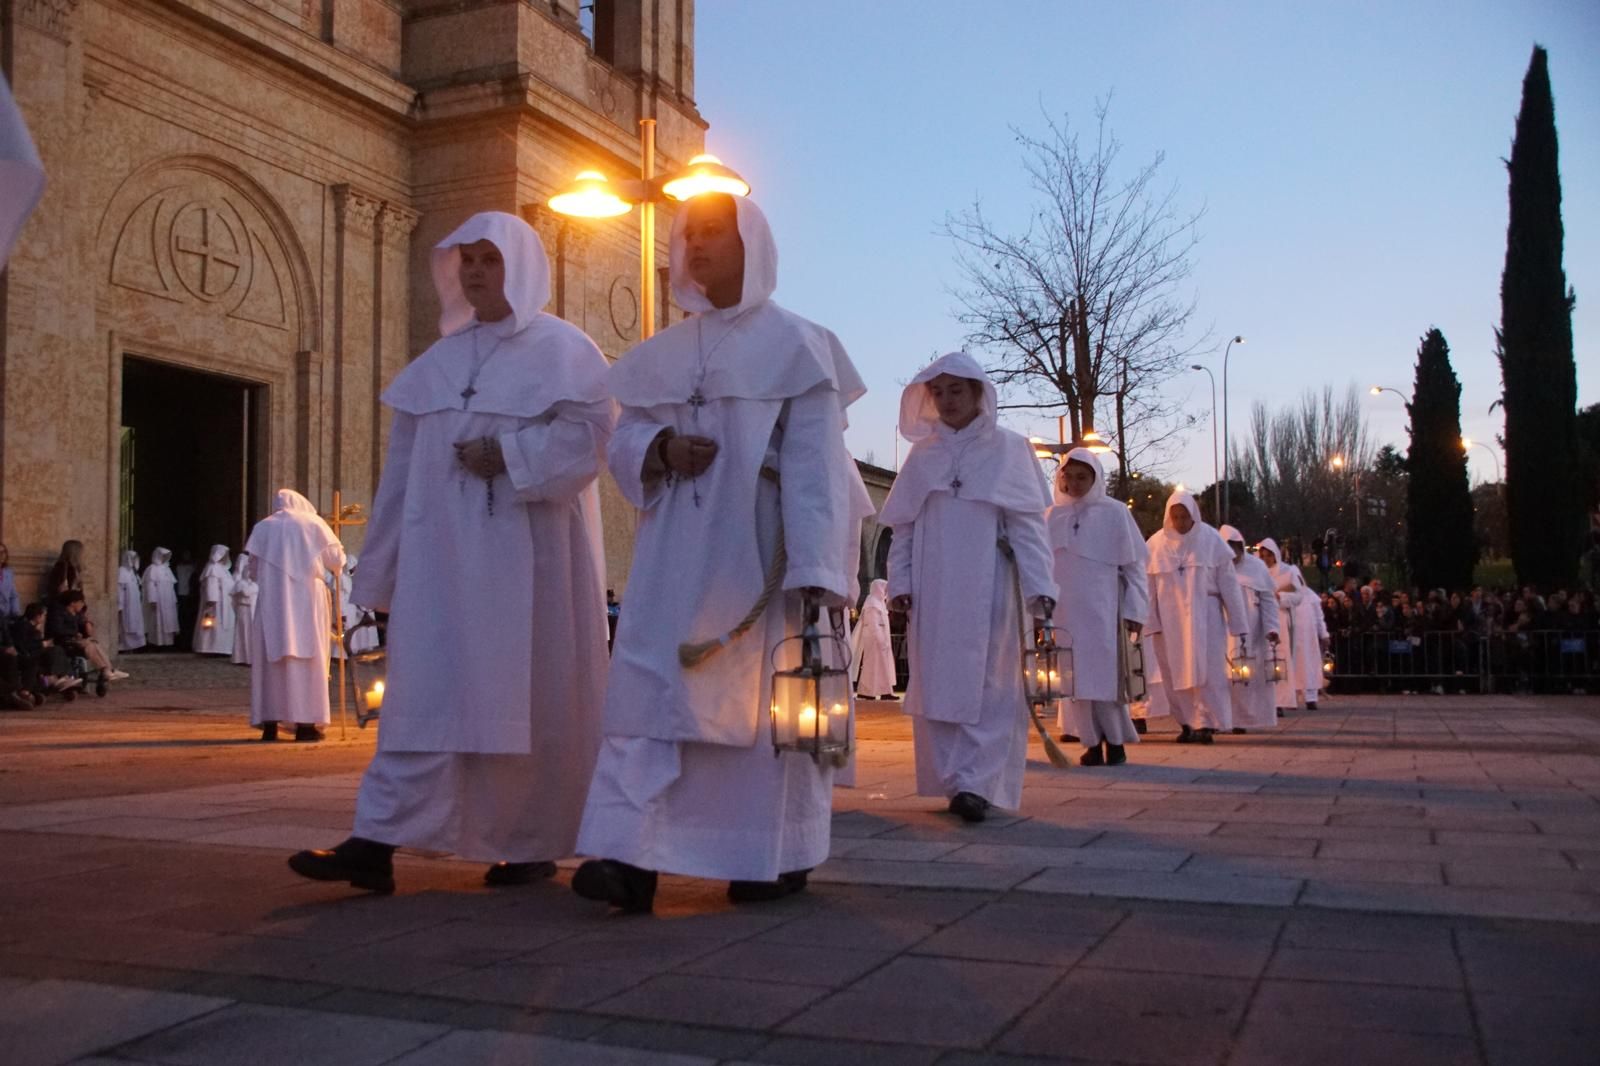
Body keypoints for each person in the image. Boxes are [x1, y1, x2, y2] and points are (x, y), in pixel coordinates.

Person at [290, 211, 613, 895]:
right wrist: (376, 580)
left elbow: (591, 442)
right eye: (466, 258)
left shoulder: (566, 350)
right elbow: (401, 480)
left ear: (520, 267)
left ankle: (528, 845)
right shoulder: (437, 364)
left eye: (488, 259)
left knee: (528, 705)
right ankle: (374, 842)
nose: (473, 271)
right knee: (422, 699)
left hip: (531, 567)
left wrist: (512, 453)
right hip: (441, 568)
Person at [572, 193, 863, 913]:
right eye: (688, 233)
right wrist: (661, 447)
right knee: (649, 686)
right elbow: (626, 439)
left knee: (761, 709)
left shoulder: (802, 344)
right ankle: (630, 856)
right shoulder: (663, 354)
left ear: (751, 245)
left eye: (714, 233)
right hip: (672, 554)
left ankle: (768, 854)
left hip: (760, 551)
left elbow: (817, 466)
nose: (696, 245)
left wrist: (818, 570)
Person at [880, 352, 1056, 821]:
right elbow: (904, 527)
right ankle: (953, 780)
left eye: (956, 390)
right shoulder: (923, 455)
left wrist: (1041, 588)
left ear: (978, 393)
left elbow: (1028, 528)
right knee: (937, 684)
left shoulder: (1010, 449)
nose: (946, 400)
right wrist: (900, 582)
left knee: (991, 685)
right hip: (933, 587)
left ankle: (977, 783)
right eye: (938, 392)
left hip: (992, 584)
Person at [1047, 448, 1149, 766]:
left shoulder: (1115, 513)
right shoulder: (1050, 516)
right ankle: (1090, 741)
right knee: (1074, 681)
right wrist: (1042, 615)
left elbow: (1134, 568)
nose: (1074, 484)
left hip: (1103, 611)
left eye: (1082, 477)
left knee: (1106, 680)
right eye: (1069, 476)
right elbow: (1042, 567)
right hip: (1065, 613)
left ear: (1095, 479)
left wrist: (1134, 610)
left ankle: (1115, 741)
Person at [1145, 491, 1248, 744]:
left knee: (1208, 671)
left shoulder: (1211, 539)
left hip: (1206, 615)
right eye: (1176, 517)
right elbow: (1148, 589)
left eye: (1185, 517)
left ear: (1194, 516)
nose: (1180, 522)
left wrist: (1238, 622)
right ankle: (1186, 722)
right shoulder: (1155, 545)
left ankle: (1207, 722)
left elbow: (1229, 584)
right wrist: (1150, 622)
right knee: (1174, 673)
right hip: (1170, 621)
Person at [244, 490, 344, 742]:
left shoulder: (263, 527)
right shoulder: (313, 524)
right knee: (309, 661)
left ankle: (270, 723)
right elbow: (337, 561)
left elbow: (252, 571)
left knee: (272, 663)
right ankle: (306, 724)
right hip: (307, 601)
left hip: (273, 603)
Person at [1218, 525, 1280, 734]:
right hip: (1221, 630)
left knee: (1246, 677)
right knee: (1220, 677)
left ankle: (1241, 720)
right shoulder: (1214, 567)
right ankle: (1219, 718)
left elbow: (1269, 600)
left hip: (1251, 631)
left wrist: (1272, 628)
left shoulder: (1257, 568)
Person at [1259, 538, 1326, 712]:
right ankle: (1271, 700)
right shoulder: (1257, 572)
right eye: (1263, 555)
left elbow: (1298, 595)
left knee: (1282, 662)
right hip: (1263, 621)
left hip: (1283, 621)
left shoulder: (1288, 571)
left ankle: (1281, 701)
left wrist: (1279, 598)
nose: (1266, 559)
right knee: (1268, 662)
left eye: (1269, 555)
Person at [46, 590, 128, 688]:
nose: (82, 604)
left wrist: (87, 623)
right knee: (88, 644)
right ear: (73, 603)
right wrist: (75, 634)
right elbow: (57, 630)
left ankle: (108, 669)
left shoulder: (77, 615)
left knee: (93, 643)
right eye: (80, 602)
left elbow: (87, 632)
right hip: (64, 642)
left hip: (75, 642)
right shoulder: (58, 613)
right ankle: (106, 670)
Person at [850, 579, 897, 700]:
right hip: (875, 640)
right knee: (874, 665)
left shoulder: (878, 603)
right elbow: (872, 624)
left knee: (878, 666)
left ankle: (871, 691)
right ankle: (876, 692)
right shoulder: (872, 603)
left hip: (880, 641)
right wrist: (880, 640)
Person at [192, 544, 235, 655]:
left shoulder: (224, 570)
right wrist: (212, 599)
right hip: (216, 604)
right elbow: (211, 585)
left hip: (226, 603)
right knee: (212, 624)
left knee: (222, 626)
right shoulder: (213, 568)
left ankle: (222, 648)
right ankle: (209, 647)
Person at [142, 547, 179, 647]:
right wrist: (152, 599)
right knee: (157, 620)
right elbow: (150, 585)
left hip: (168, 600)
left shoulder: (167, 569)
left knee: (169, 621)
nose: (163, 558)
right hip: (158, 600)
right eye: (162, 556)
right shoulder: (152, 569)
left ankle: (168, 643)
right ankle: (156, 643)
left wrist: (174, 599)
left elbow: (171, 586)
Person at [230, 551, 257, 666]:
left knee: (252, 633)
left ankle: (251, 658)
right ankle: (240, 657)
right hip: (243, 609)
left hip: (253, 610)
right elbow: (245, 593)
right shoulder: (240, 584)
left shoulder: (254, 584)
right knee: (243, 633)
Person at [116, 550, 146, 652]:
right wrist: (119, 605)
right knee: (127, 624)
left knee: (135, 623)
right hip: (126, 603)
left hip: (135, 603)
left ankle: (134, 646)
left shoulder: (133, 572)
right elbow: (120, 590)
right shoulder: (121, 571)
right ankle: (125, 646)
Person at [0, 542, 22, 623]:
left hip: (7, 616)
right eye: (0, 552)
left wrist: (15, 612)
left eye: (4, 552)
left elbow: (13, 595)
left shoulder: (8, 572)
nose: (2, 555)